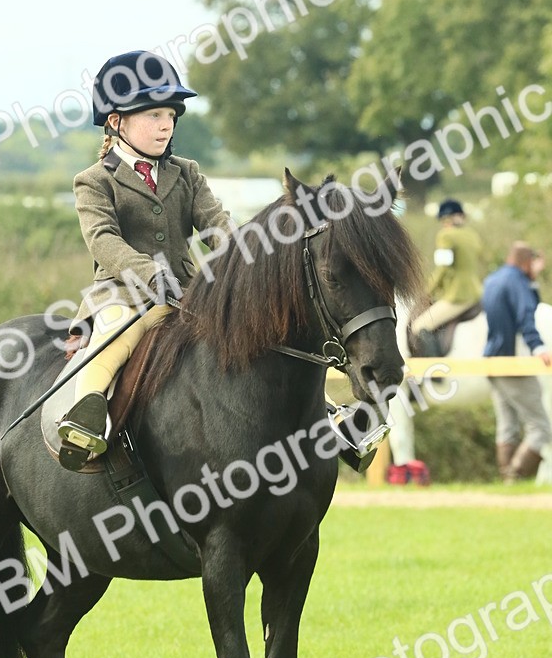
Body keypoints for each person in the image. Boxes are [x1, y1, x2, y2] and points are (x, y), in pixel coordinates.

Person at [56, 48, 389, 473]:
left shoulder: (187, 173)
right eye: (152, 115)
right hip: (124, 292)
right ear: (116, 122)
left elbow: (217, 225)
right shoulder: (94, 180)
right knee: (116, 328)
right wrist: (149, 274)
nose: (165, 125)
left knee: (258, 336)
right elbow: (103, 239)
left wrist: (249, 261)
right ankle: (86, 414)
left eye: (170, 116)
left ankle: (328, 419)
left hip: (188, 293)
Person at [482, 242, 551, 482]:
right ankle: (515, 476)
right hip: (514, 363)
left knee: (507, 425)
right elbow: (527, 315)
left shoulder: (493, 279)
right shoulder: (518, 282)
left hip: (491, 361)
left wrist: (532, 277)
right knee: (542, 427)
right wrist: (539, 347)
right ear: (526, 262)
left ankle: (507, 481)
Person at [411, 199, 483, 351]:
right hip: (476, 292)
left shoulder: (446, 235)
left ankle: (435, 368)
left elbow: (443, 268)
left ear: (445, 218)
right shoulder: (472, 235)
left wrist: (428, 291)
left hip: (458, 295)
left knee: (419, 326)